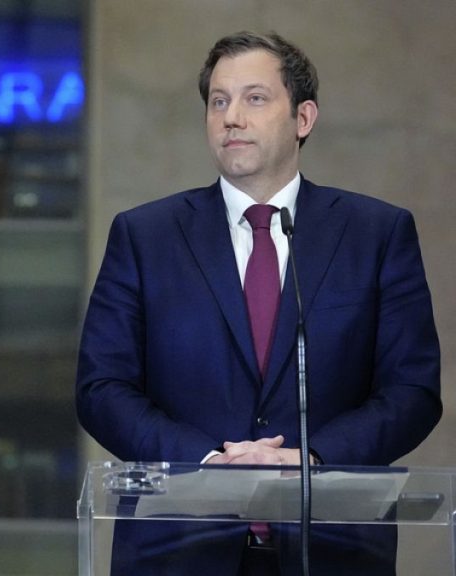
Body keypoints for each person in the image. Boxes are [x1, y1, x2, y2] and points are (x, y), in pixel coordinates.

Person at [76, 31, 441, 575]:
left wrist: (310, 459)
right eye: (218, 101)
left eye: (254, 98)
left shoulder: (376, 234)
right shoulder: (144, 236)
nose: (231, 117)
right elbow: (102, 387)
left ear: (303, 118)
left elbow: (412, 389)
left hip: (330, 548)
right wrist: (210, 462)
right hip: (179, 548)